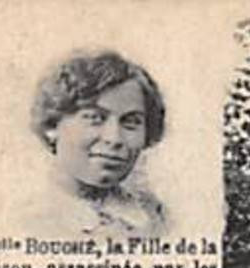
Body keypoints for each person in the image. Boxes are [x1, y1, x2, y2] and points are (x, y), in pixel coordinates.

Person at [21, 49, 168, 238]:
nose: (114, 139)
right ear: (52, 125)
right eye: (95, 118)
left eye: (131, 122)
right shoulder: (26, 219)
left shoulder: (155, 217)